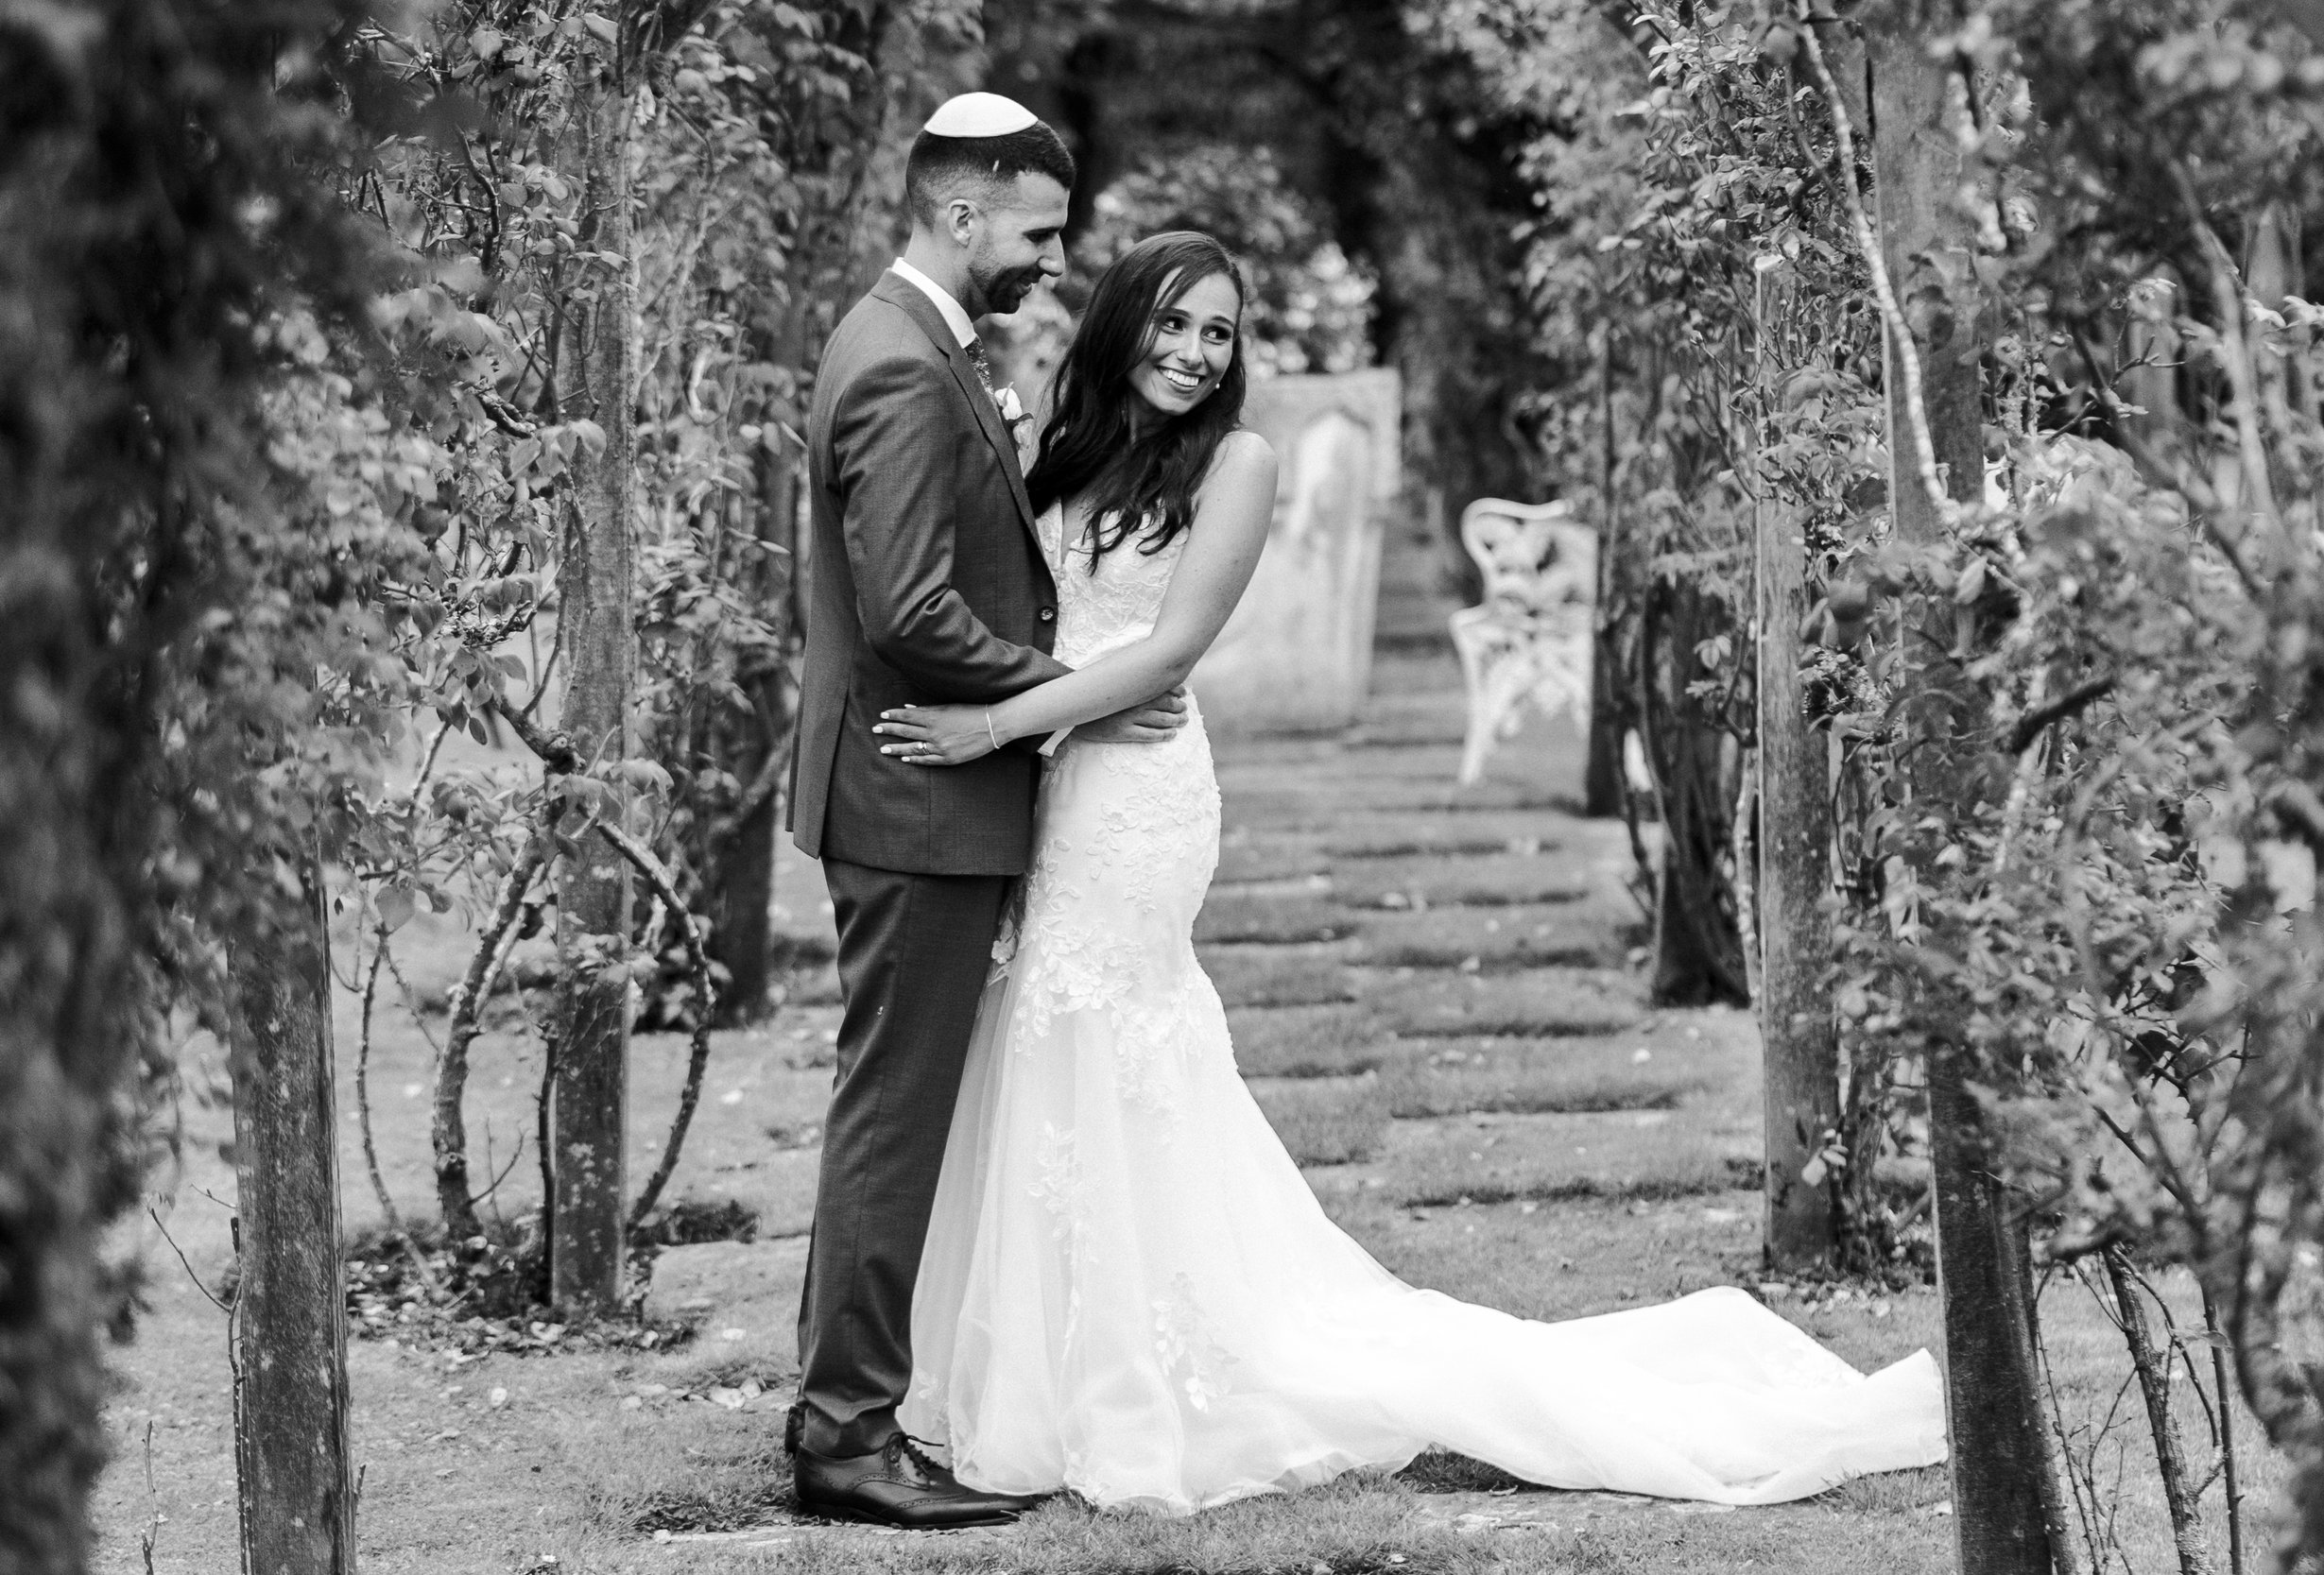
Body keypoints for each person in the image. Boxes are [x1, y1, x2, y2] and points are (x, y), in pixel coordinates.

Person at [871, 228, 1952, 1515]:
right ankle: (1046, 1349)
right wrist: (1025, 711)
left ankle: (1122, 1376)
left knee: (1100, 1032)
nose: (1193, 352)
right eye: (1171, 323)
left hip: (1133, 800)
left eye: (1218, 332)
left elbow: (1169, 655)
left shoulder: (1241, 462)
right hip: (1057, 779)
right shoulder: (1063, 448)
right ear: (1118, 325)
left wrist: (993, 723)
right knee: (1051, 1047)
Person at [784, 92, 1188, 1530]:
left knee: (889, 1111)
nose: (1051, 258)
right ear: (961, 213)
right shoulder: (899, 363)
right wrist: (1065, 687)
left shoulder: (913, 344)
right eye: (1036, 229)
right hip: (915, 792)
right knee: (893, 1119)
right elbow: (907, 606)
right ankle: (842, 1436)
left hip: (915, 791)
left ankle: (846, 1408)